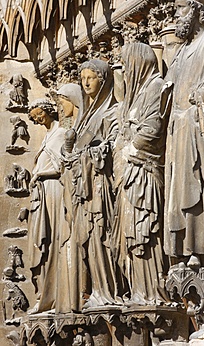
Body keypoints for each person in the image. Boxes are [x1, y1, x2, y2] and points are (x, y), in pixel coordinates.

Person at [163, 0, 204, 268]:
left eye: (179, 9)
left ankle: (199, 248)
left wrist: (196, 99)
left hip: (195, 126)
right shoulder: (181, 52)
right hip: (178, 129)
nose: (176, 15)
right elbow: (168, 87)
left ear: (195, 12)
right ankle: (179, 247)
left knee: (196, 186)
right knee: (177, 192)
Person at [113, 42, 171, 305]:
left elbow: (153, 128)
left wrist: (127, 149)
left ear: (139, 63)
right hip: (129, 174)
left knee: (144, 230)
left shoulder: (155, 86)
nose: (125, 72)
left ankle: (152, 293)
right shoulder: (136, 95)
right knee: (131, 234)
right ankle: (138, 290)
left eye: (127, 66)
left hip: (144, 173)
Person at [61, 59, 122, 307]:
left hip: (101, 189)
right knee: (87, 243)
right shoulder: (84, 117)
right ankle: (95, 290)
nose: (86, 82)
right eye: (83, 78)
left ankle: (107, 291)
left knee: (101, 238)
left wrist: (90, 153)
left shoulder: (112, 112)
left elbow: (116, 145)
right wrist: (69, 151)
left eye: (91, 77)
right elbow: (74, 153)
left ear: (104, 80)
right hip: (82, 191)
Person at [28, 99, 70, 313]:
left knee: (55, 238)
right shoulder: (46, 137)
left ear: (48, 111)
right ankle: (45, 294)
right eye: (35, 118)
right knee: (41, 243)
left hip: (54, 190)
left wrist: (39, 175)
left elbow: (63, 167)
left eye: (39, 115)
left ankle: (58, 294)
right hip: (42, 193)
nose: (37, 119)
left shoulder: (61, 133)